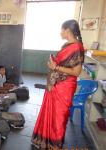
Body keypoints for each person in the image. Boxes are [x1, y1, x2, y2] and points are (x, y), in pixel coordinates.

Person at [31, 20, 85, 149]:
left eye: (61, 29)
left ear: (67, 30)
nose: (60, 32)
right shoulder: (68, 45)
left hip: (64, 87)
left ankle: (55, 144)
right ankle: (45, 140)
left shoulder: (76, 47)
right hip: (56, 86)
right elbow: (64, 64)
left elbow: (76, 72)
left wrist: (56, 67)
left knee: (59, 118)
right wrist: (54, 63)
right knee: (51, 114)